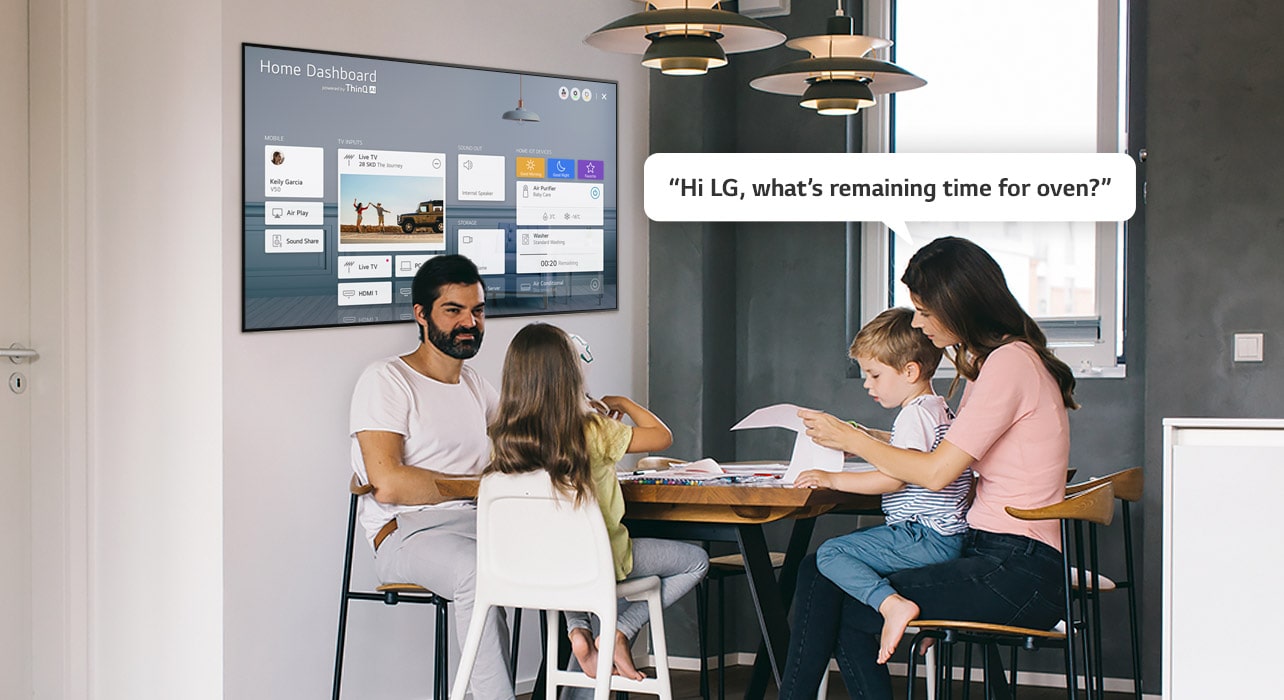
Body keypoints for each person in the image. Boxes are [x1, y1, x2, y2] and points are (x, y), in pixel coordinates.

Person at [780, 236, 1078, 699]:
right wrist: (861, 438)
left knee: (832, 587)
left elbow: (936, 472)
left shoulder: (1008, 365)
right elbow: (938, 454)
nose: (917, 323)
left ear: (957, 304)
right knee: (824, 576)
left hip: (1017, 569)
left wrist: (853, 439)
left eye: (923, 310)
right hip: (998, 555)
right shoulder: (1000, 363)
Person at [486, 323, 709, 687]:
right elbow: (662, 436)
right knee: (695, 561)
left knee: (566, 555)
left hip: (537, 567)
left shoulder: (504, 439)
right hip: (602, 560)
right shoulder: (592, 428)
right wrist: (622, 403)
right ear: (570, 375)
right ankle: (618, 632)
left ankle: (578, 630)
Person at [349, 254, 515, 700]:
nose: (470, 323)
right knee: (479, 573)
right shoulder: (387, 379)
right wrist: (478, 487)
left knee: (581, 553)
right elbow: (390, 482)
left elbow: (522, 449)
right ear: (421, 315)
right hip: (405, 533)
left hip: (477, 526)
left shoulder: (477, 386)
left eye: (477, 311)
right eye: (454, 310)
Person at [793, 306, 972, 664]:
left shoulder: (914, 414)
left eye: (874, 374)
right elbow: (905, 455)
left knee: (830, 554)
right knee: (837, 559)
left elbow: (893, 478)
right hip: (947, 536)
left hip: (924, 537)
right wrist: (871, 437)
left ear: (910, 371)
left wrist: (832, 479)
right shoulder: (936, 408)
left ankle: (892, 606)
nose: (866, 383)